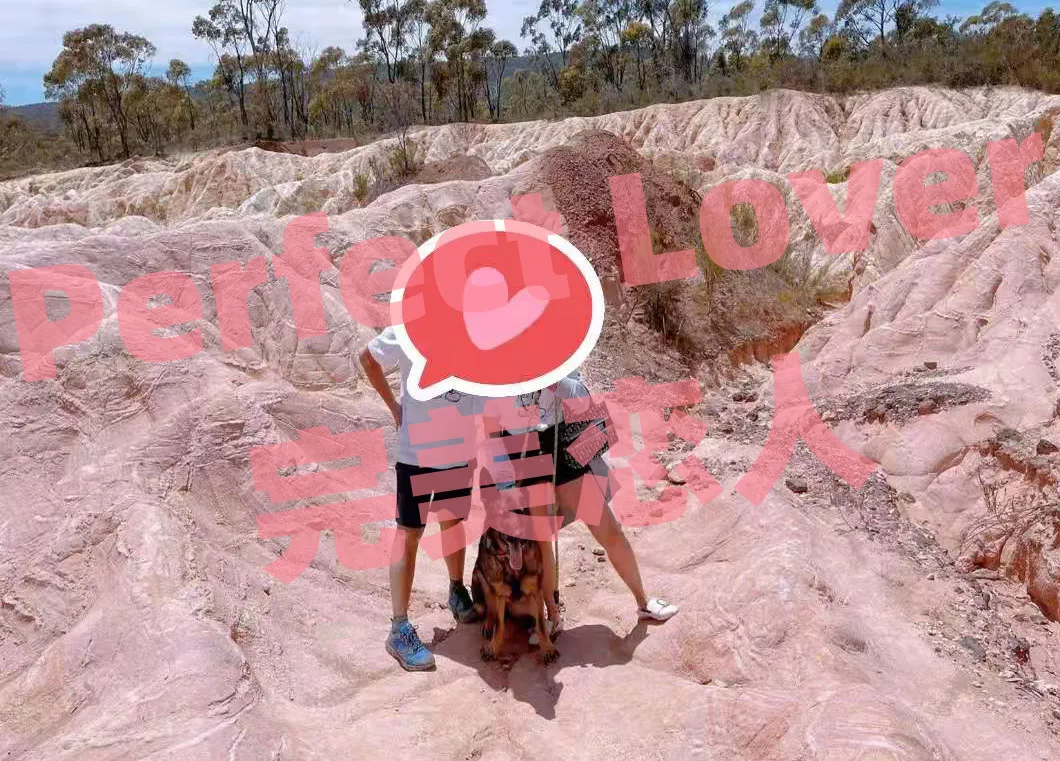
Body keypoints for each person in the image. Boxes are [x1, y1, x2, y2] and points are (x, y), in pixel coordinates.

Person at [503, 372, 679, 644]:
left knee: (608, 530)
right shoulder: (499, 364)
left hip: (561, 444)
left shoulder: (556, 356)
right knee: (541, 542)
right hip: (524, 449)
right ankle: (552, 615)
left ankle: (643, 603)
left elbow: (582, 397)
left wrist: (551, 381)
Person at [359, 326, 485, 672]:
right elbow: (367, 358)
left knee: (453, 522)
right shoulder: (407, 329)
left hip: (458, 452)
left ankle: (457, 591)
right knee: (409, 532)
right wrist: (394, 407)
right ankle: (399, 627)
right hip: (417, 453)